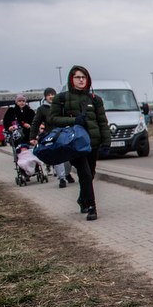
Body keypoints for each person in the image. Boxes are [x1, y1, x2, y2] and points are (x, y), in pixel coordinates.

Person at [49, 65, 111, 221]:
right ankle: (92, 207)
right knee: (85, 174)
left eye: (84, 77)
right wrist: (73, 120)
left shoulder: (95, 99)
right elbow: (53, 119)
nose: (81, 80)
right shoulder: (61, 99)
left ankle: (82, 199)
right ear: (72, 79)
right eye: (78, 77)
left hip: (92, 143)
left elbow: (102, 122)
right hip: (74, 144)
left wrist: (106, 142)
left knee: (90, 174)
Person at [32, 87, 74, 188]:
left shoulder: (62, 106)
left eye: (52, 94)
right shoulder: (42, 109)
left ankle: (67, 174)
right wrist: (32, 136)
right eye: (48, 95)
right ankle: (62, 178)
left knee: (68, 157)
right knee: (58, 157)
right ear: (45, 97)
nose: (51, 96)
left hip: (64, 134)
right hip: (52, 136)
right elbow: (36, 123)